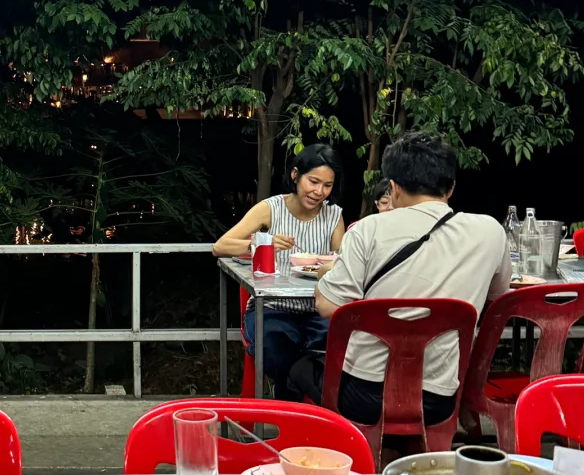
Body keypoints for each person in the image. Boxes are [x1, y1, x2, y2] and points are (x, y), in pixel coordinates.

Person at [308, 131, 511, 427]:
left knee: (299, 364)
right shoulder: (491, 232)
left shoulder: (367, 230)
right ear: (451, 188)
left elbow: (327, 305)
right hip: (438, 400)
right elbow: (498, 298)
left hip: (364, 398)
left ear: (392, 188)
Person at [211, 144, 345, 399]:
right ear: (295, 175)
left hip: (317, 308)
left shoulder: (333, 215)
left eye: (327, 186)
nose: (319, 192)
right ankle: (299, 409)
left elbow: (342, 262)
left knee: (341, 348)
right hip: (272, 307)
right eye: (313, 181)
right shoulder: (271, 208)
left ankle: (303, 413)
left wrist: (331, 264)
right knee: (276, 348)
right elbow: (220, 246)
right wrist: (263, 243)